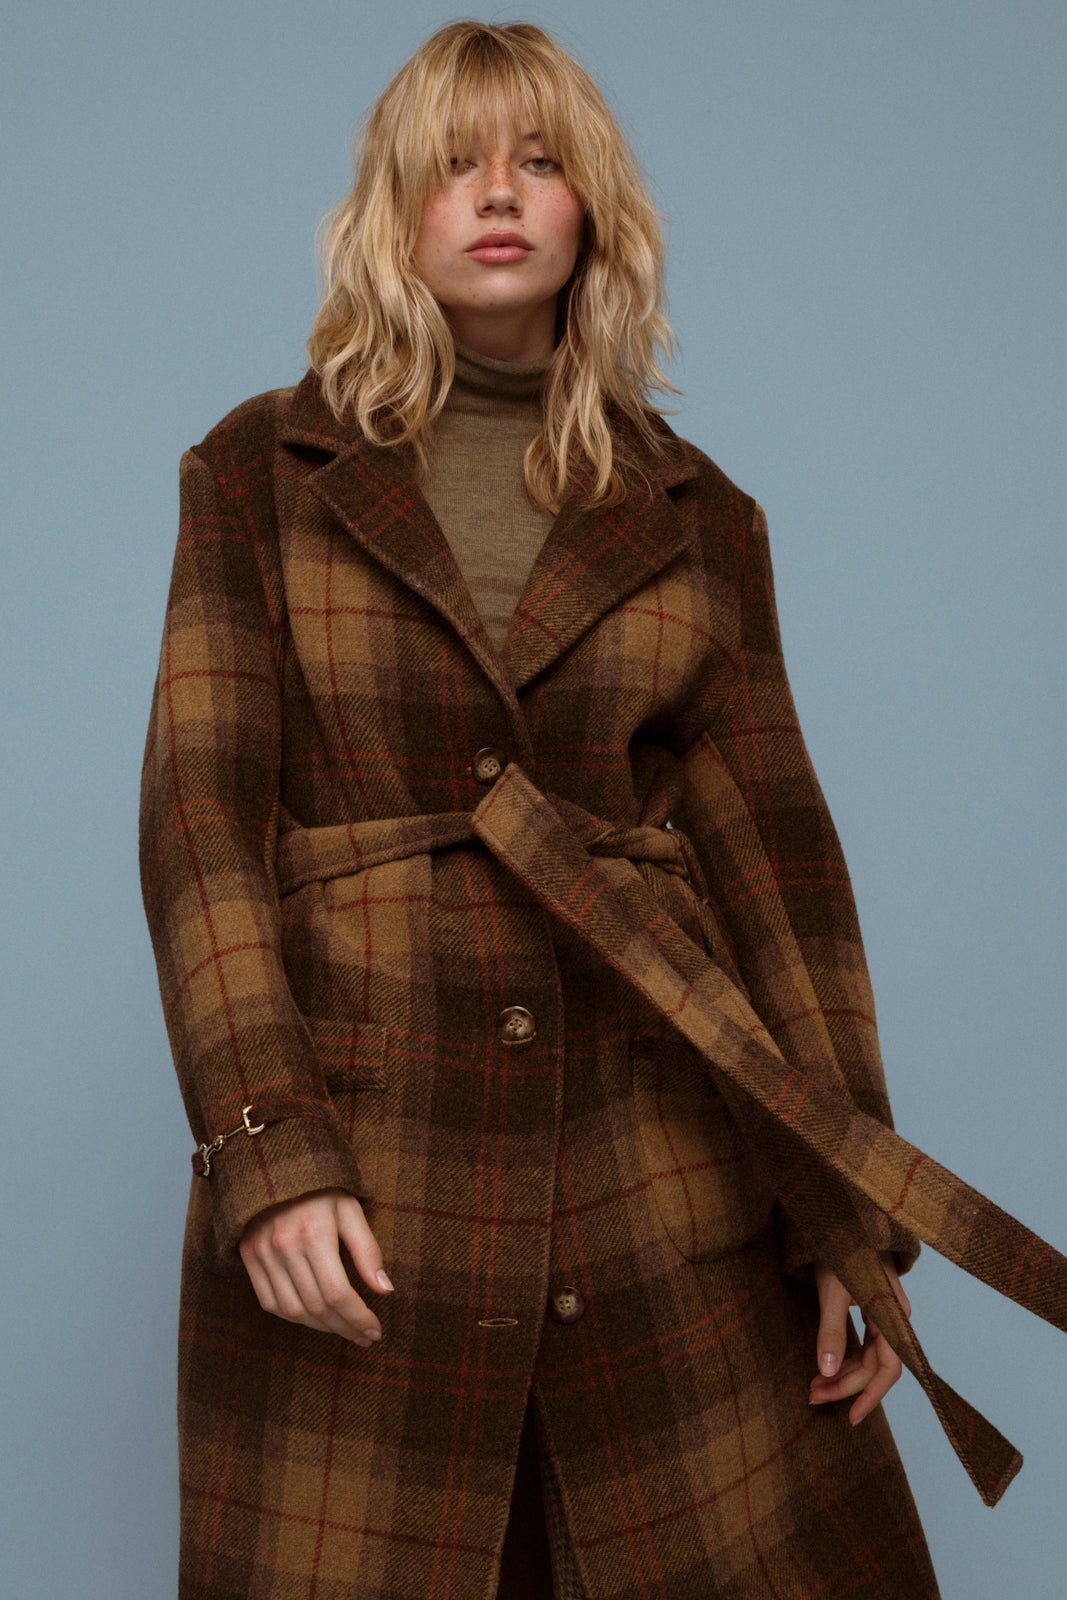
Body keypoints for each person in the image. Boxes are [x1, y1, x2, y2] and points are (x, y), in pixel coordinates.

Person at [140, 20, 1067, 1600]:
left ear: (593, 211)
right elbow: (200, 832)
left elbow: (782, 872)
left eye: (540, 160)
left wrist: (845, 1222)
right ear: (393, 211)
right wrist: (268, 1146)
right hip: (374, 1160)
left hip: (658, 1170)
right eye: (453, 164)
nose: (498, 193)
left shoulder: (703, 517)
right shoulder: (257, 473)